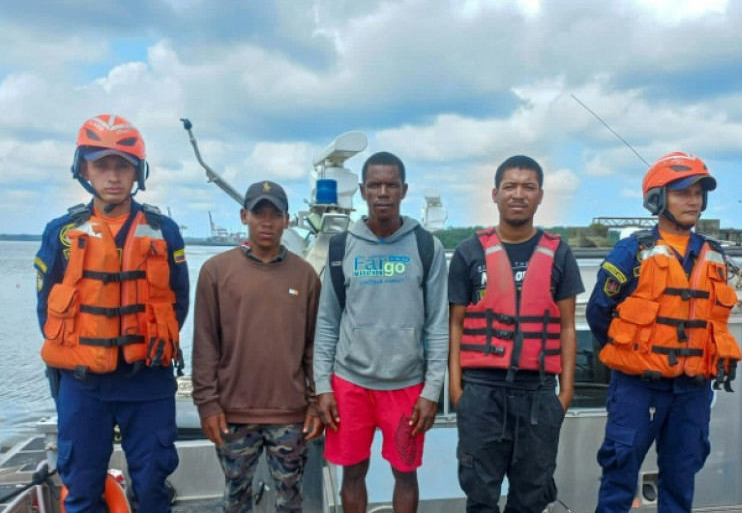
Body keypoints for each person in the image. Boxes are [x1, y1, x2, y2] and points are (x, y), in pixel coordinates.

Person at [34, 114, 190, 513]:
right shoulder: (62, 234)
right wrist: (84, 351)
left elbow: (179, 300)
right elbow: (44, 307)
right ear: (83, 168)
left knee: (153, 487)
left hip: (148, 381)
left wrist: (147, 344)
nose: (113, 175)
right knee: (82, 491)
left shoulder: (164, 231)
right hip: (84, 386)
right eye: (102, 164)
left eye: (123, 165)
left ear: (138, 172)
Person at [586, 151, 742, 513]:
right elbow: (599, 313)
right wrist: (635, 353)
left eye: (699, 193)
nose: (694, 201)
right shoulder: (632, 252)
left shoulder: (714, 255)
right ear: (658, 199)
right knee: (619, 475)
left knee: (681, 477)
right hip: (638, 388)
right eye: (683, 192)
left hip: (693, 391)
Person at [314, 151, 449, 513]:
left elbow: (437, 324)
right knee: (352, 473)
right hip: (350, 384)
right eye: (375, 184)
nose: (383, 192)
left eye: (391, 184)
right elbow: (327, 321)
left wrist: (432, 390)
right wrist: (323, 385)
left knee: (405, 473)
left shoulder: (426, 247)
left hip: (406, 386)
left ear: (404, 190)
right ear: (362, 190)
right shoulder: (342, 247)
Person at [448, 155, 583, 513]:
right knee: (480, 495)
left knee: (531, 496)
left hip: (537, 392)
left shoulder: (560, 254)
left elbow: (568, 326)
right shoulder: (468, 252)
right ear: (495, 194)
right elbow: (455, 325)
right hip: (481, 391)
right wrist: (457, 391)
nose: (518, 194)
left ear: (540, 196)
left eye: (528, 187)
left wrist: (565, 394)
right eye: (510, 186)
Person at [191, 180, 322, 513]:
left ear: (287, 220)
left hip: (290, 414)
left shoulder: (305, 276)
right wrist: (207, 404)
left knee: (290, 500)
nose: (267, 222)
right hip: (232, 412)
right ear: (243, 215)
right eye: (259, 213)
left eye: (275, 215)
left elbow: (314, 348)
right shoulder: (215, 272)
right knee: (236, 498)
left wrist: (315, 402)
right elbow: (205, 345)